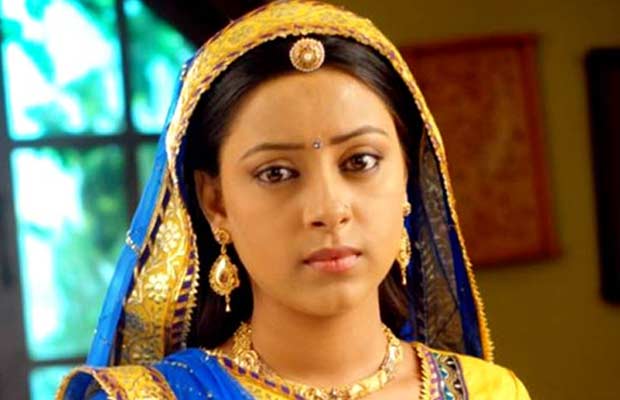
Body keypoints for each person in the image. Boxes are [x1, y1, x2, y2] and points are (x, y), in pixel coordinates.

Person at [56, 1, 530, 398]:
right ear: (215, 202)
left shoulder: (489, 392)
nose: (329, 210)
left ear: (406, 176)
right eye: (276, 173)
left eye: (360, 161)